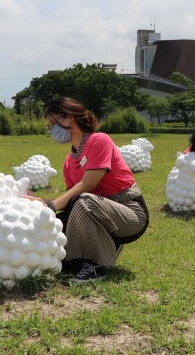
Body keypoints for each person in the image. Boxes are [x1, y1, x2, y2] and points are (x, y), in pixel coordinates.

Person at [25, 97, 149, 284]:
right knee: (56, 223)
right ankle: (88, 255)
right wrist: (39, 204)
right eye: (49, 125)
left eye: (54, 122)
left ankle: (95, 266)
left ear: (70, 117)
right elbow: (71, 203)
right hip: (96, 210)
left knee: (83, 200)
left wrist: (49, 205)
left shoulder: (99, 140)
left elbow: (87, 185)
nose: (51, 129)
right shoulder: (69, 161)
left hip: (130, 213)